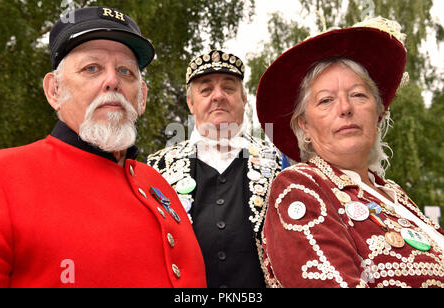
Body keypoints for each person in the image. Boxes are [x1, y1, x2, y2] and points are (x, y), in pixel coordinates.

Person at [0, 6, 206, 288]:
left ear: (141, 98)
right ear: (54, 90)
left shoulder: (157, 183)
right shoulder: (2, 176)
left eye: (125, 71)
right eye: (91, 68)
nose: (112, 81)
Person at [256, 17, 444, 288]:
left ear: (379, 113)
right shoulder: (300, 187)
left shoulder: (395, 194)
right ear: (305, 125)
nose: (345, 108)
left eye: (358, 95)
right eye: (325, 100)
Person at [147, 50, 282, 288]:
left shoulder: (280, 163)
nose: (218, 96)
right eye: (206, 90)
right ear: (191, 102)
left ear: (244, 98)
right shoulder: (156, 168)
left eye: (228, 88)